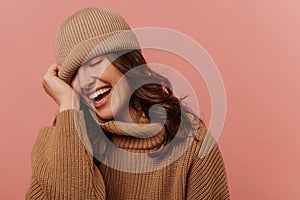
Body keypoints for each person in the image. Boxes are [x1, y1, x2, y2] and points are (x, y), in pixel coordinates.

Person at [26, 7, 230, 200]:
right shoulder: (54, 151)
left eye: (95, 62)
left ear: (127, 61)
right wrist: (68, 105)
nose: (86, 80)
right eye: (74, 75)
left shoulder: (193, 144)